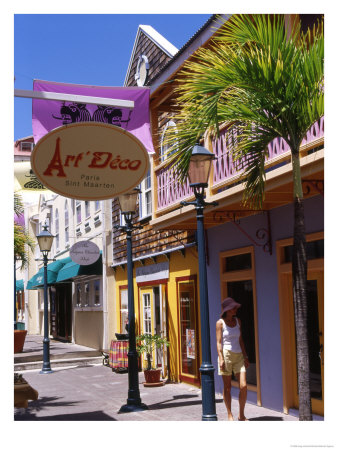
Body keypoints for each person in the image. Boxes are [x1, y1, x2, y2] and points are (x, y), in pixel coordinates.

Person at [216, 297, 250, 421]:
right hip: (226, 355)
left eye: (235, 308)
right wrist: (221, 359)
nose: (235, 309)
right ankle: (229, 414)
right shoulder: (220, 323)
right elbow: (219, 343)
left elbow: (241, 340)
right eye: (233, 308)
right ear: (227, 310)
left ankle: (241, 414)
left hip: (239, 355)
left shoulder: (238, 321)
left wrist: (245, 356)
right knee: (228, 387)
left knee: (243, 385)